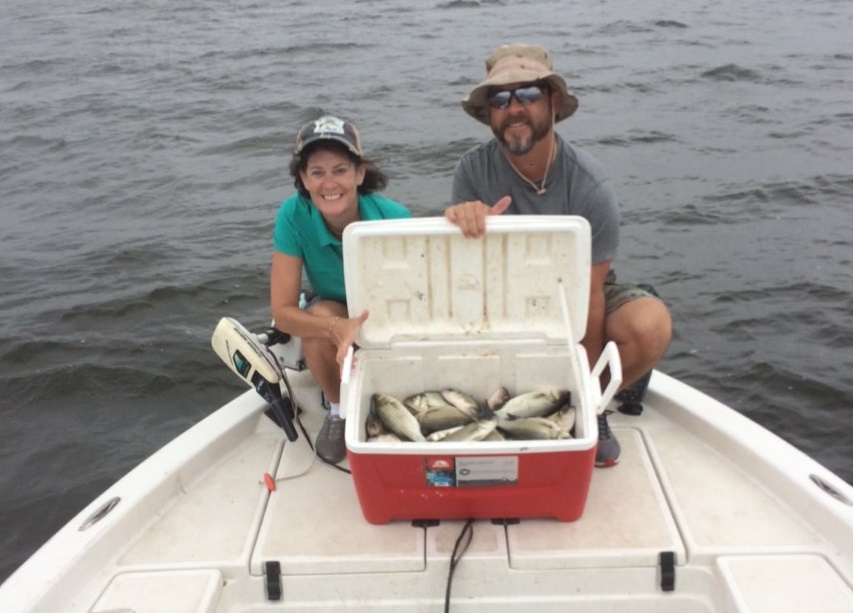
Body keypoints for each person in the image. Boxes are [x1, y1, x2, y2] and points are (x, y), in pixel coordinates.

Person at [445, 43, 672, 467]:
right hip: (504, 294)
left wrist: (584, 403)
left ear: (552, 101)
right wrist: (464, 220)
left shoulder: (590, 186)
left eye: (527, 95)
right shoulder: (471, 172)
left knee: (650, 325)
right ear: (489, 113)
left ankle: (594, 402)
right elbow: (465, 282)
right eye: (499, 100)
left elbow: (589, 297)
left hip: (581, 292)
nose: (514, 108)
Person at [270, 115, 411, 464]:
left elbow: (416, 294)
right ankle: (337, 410)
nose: (329, 183)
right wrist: (335, 327)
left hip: (384, 309)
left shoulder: (395, 218)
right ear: (303, 179)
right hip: (334, 307)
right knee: (316, 318)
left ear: (359, 174)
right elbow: (283, 313)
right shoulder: (293, 215)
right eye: (316, 172)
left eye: (340, 170)